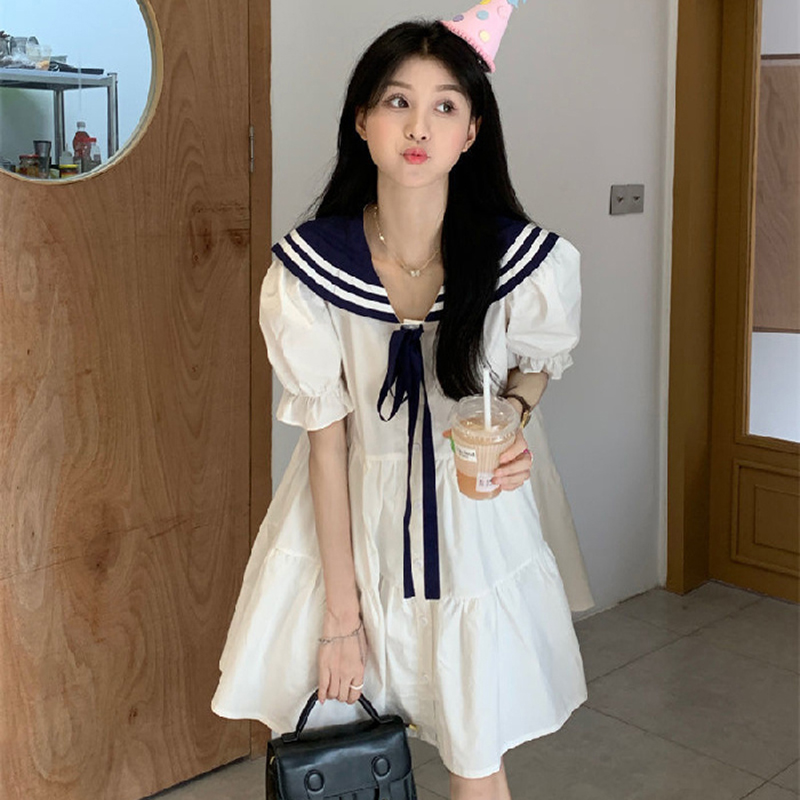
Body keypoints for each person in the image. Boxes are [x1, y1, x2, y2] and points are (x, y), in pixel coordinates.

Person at [213, 5, 593, 798]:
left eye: (444, 105)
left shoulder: (516, 259)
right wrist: (341, 620)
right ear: (362, 121)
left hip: (473, 528)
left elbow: (537, 363)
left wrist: (514, 417)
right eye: (397, 101)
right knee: (346, 748)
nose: (419, 125)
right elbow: (327, 443)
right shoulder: (312, 270)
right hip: (347, 527)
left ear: (471, 132)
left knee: (476, 754)